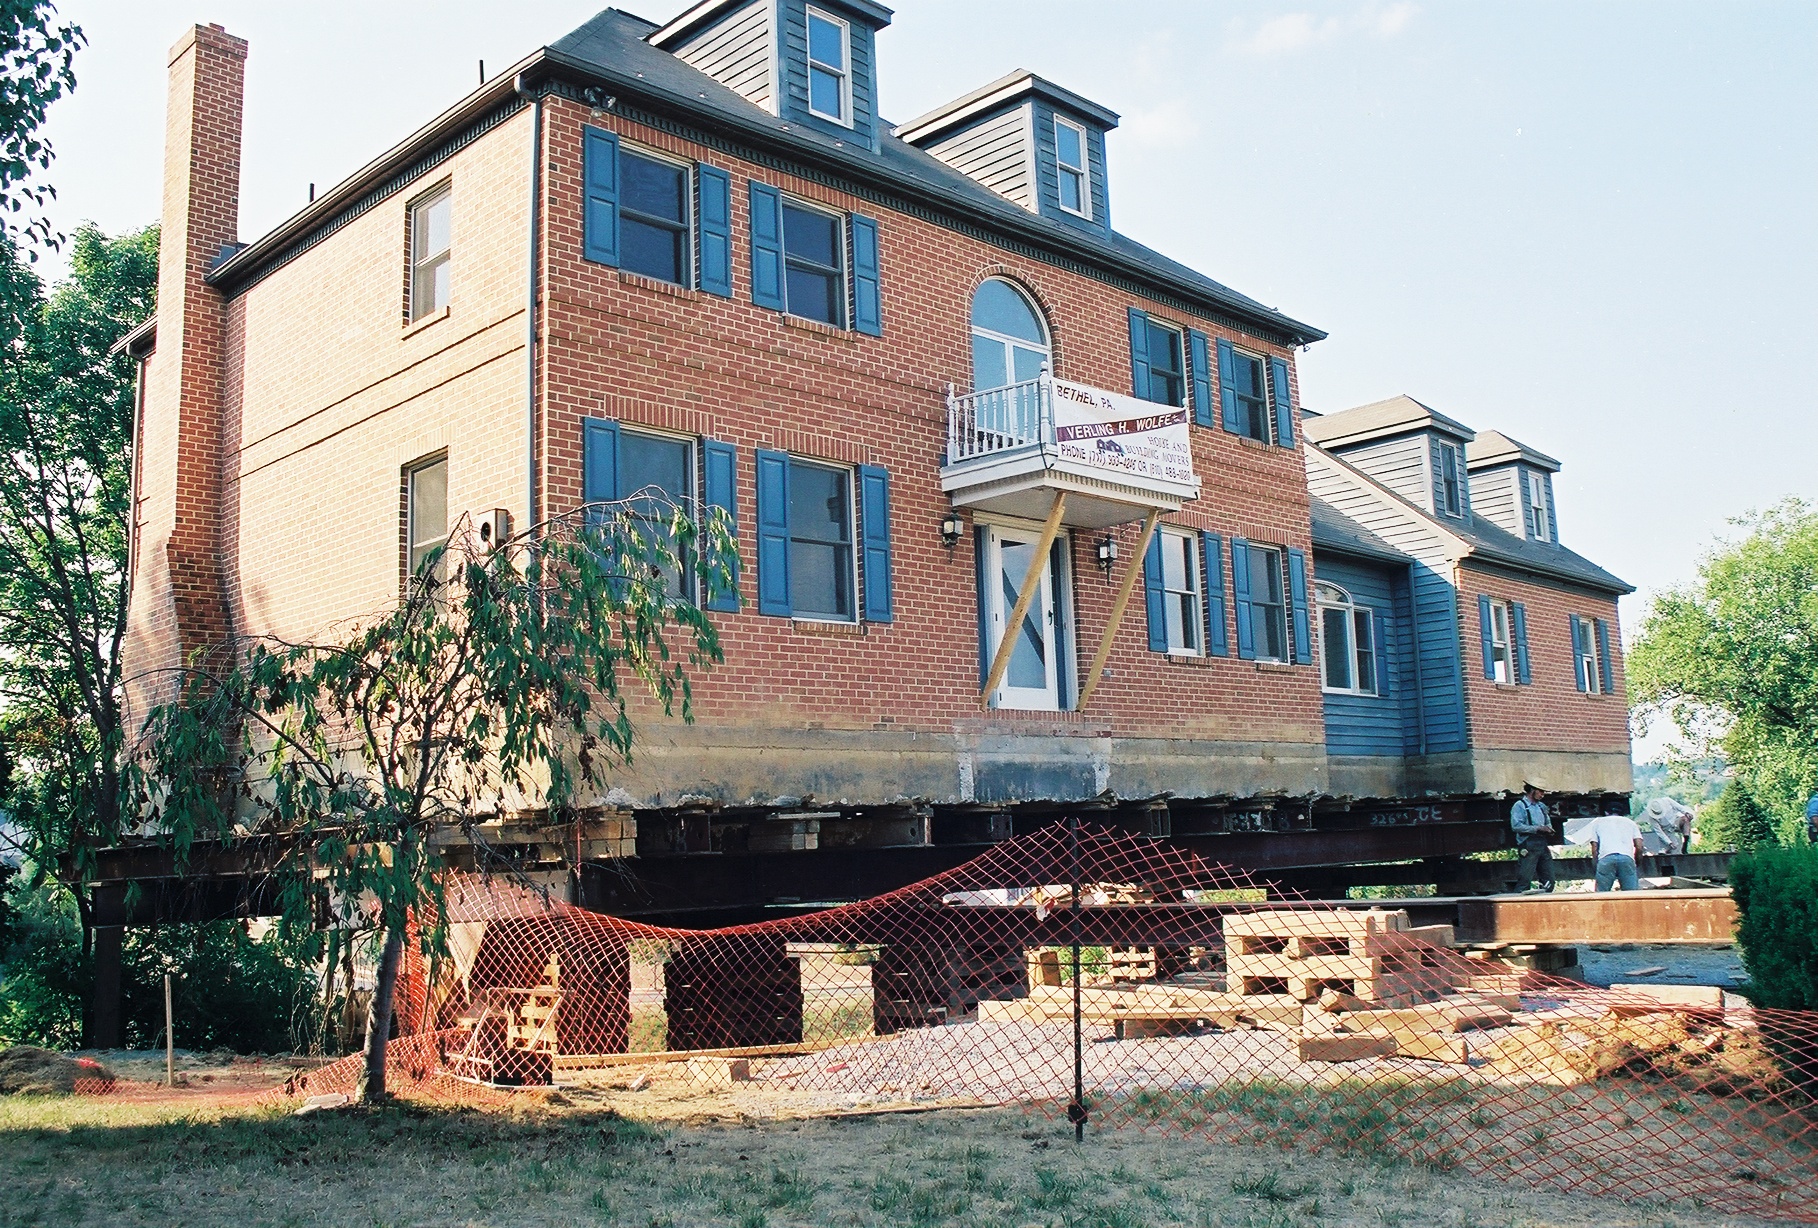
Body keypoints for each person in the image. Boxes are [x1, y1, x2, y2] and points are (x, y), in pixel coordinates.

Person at [1578, 811, 1646, 892]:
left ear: (1606, 812)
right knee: (1631, 894)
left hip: (1606, 858)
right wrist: (1637, 862)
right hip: (1626, 858)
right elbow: (1639, 846)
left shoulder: (1598, 823)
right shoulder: (1631, 823)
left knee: (1601, 895)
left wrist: (1596, 865)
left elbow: (1594, 847)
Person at [1510, 783, 1555, 893]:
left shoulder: (1541, 806)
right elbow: (1516, 826)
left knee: (1549, 879)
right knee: (1525, 879)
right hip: (1528, 844)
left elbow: (1547, 822)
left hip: (1542, 844)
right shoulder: (1520, 805)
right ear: (1532, 790)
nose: (1542, 795)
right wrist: (1538, 828)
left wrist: (1549, 829)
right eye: (1540, 792)